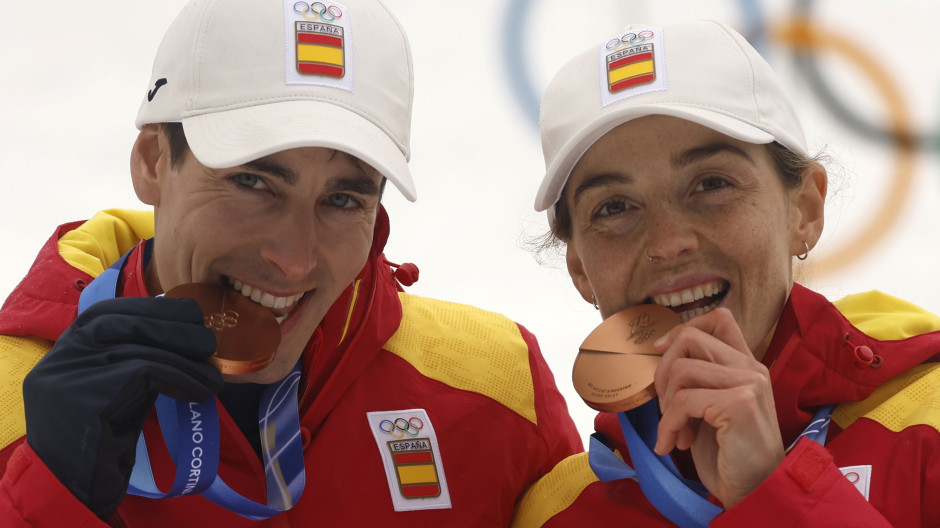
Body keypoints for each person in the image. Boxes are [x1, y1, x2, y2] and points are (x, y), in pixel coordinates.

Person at [0, 0, 582, 526]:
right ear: (154, 160)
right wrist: (44, 499)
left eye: (342, 199)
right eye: (252, 182)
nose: (295, 260)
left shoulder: (497, 387)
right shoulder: (11, 400)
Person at [511, 20, 940, 528]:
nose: (668, 243)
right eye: (614, 208)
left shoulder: (926, 429)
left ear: (804, 210)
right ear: (580, 268)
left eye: (711, 183)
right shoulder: (558, 513)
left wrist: (772, 493)